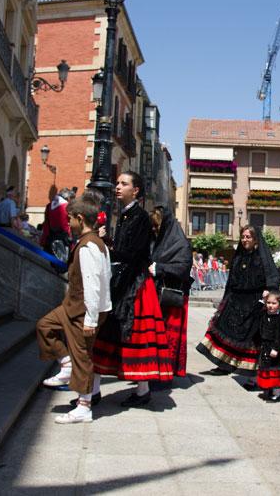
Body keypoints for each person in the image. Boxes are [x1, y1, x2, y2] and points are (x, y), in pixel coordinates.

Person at [92, 171, 173, 406]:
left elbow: (133, 254)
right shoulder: (127, 215)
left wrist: (106, 248)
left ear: (135, 190)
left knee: (133, 338)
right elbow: (125, 251)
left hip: (134, 285)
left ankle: (141, 391)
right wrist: (108, 243)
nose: (117, 186)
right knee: (109, 335)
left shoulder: (139, 217)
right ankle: (96, 389)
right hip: (124, 281)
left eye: (123, 183)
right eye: (117, 183)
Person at [36, 196, 111, 423]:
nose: (68, 223)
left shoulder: (89, 246)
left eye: (70, 219)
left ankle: (84, 407)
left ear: (80, 218)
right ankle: (66, 364)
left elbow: (93, 283)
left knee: (82, 356)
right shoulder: (91, 243)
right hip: (74, 305)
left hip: (83, 309)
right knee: (45, 326)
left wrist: (91, 319)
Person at [197, 225, 280, 376]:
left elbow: (272, 276)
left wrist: (269, 289)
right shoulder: (238, 256)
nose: (245, 240)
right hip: (235, 300)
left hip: (254, 302)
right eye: (243, 237)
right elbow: (231, 280)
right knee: (225, 330)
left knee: (250, 338)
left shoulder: (262, 258)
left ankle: (249, 369)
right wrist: (226, 299)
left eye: (248, 237)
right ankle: (223, 364)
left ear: (255, 239)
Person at [149, 205, 193, 378]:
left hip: (172, 297)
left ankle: (166, 372)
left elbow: (183, 268)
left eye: (156, 225)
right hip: (156, 296)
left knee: (168, 337)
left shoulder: (180, 243)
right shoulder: (157, 240)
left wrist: (159, 268)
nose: (154, 229)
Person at [254, 290, 280, 402]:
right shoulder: (263, 315)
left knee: (276, 371)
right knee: (267, 369)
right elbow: (255, 313)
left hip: (277, 348)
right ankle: (270, 389)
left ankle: (277, 393)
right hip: (265, 346)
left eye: (274, 303)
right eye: (268, 303)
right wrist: (262, 300)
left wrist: (276, 348)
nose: (270, 305)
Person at [40, 187, 73, 258]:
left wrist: (44, 239)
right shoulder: (66, 206)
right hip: (62, 238)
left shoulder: (49, 205)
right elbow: (65, 225)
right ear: (68, 198)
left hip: (50, 237)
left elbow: (46, 224)